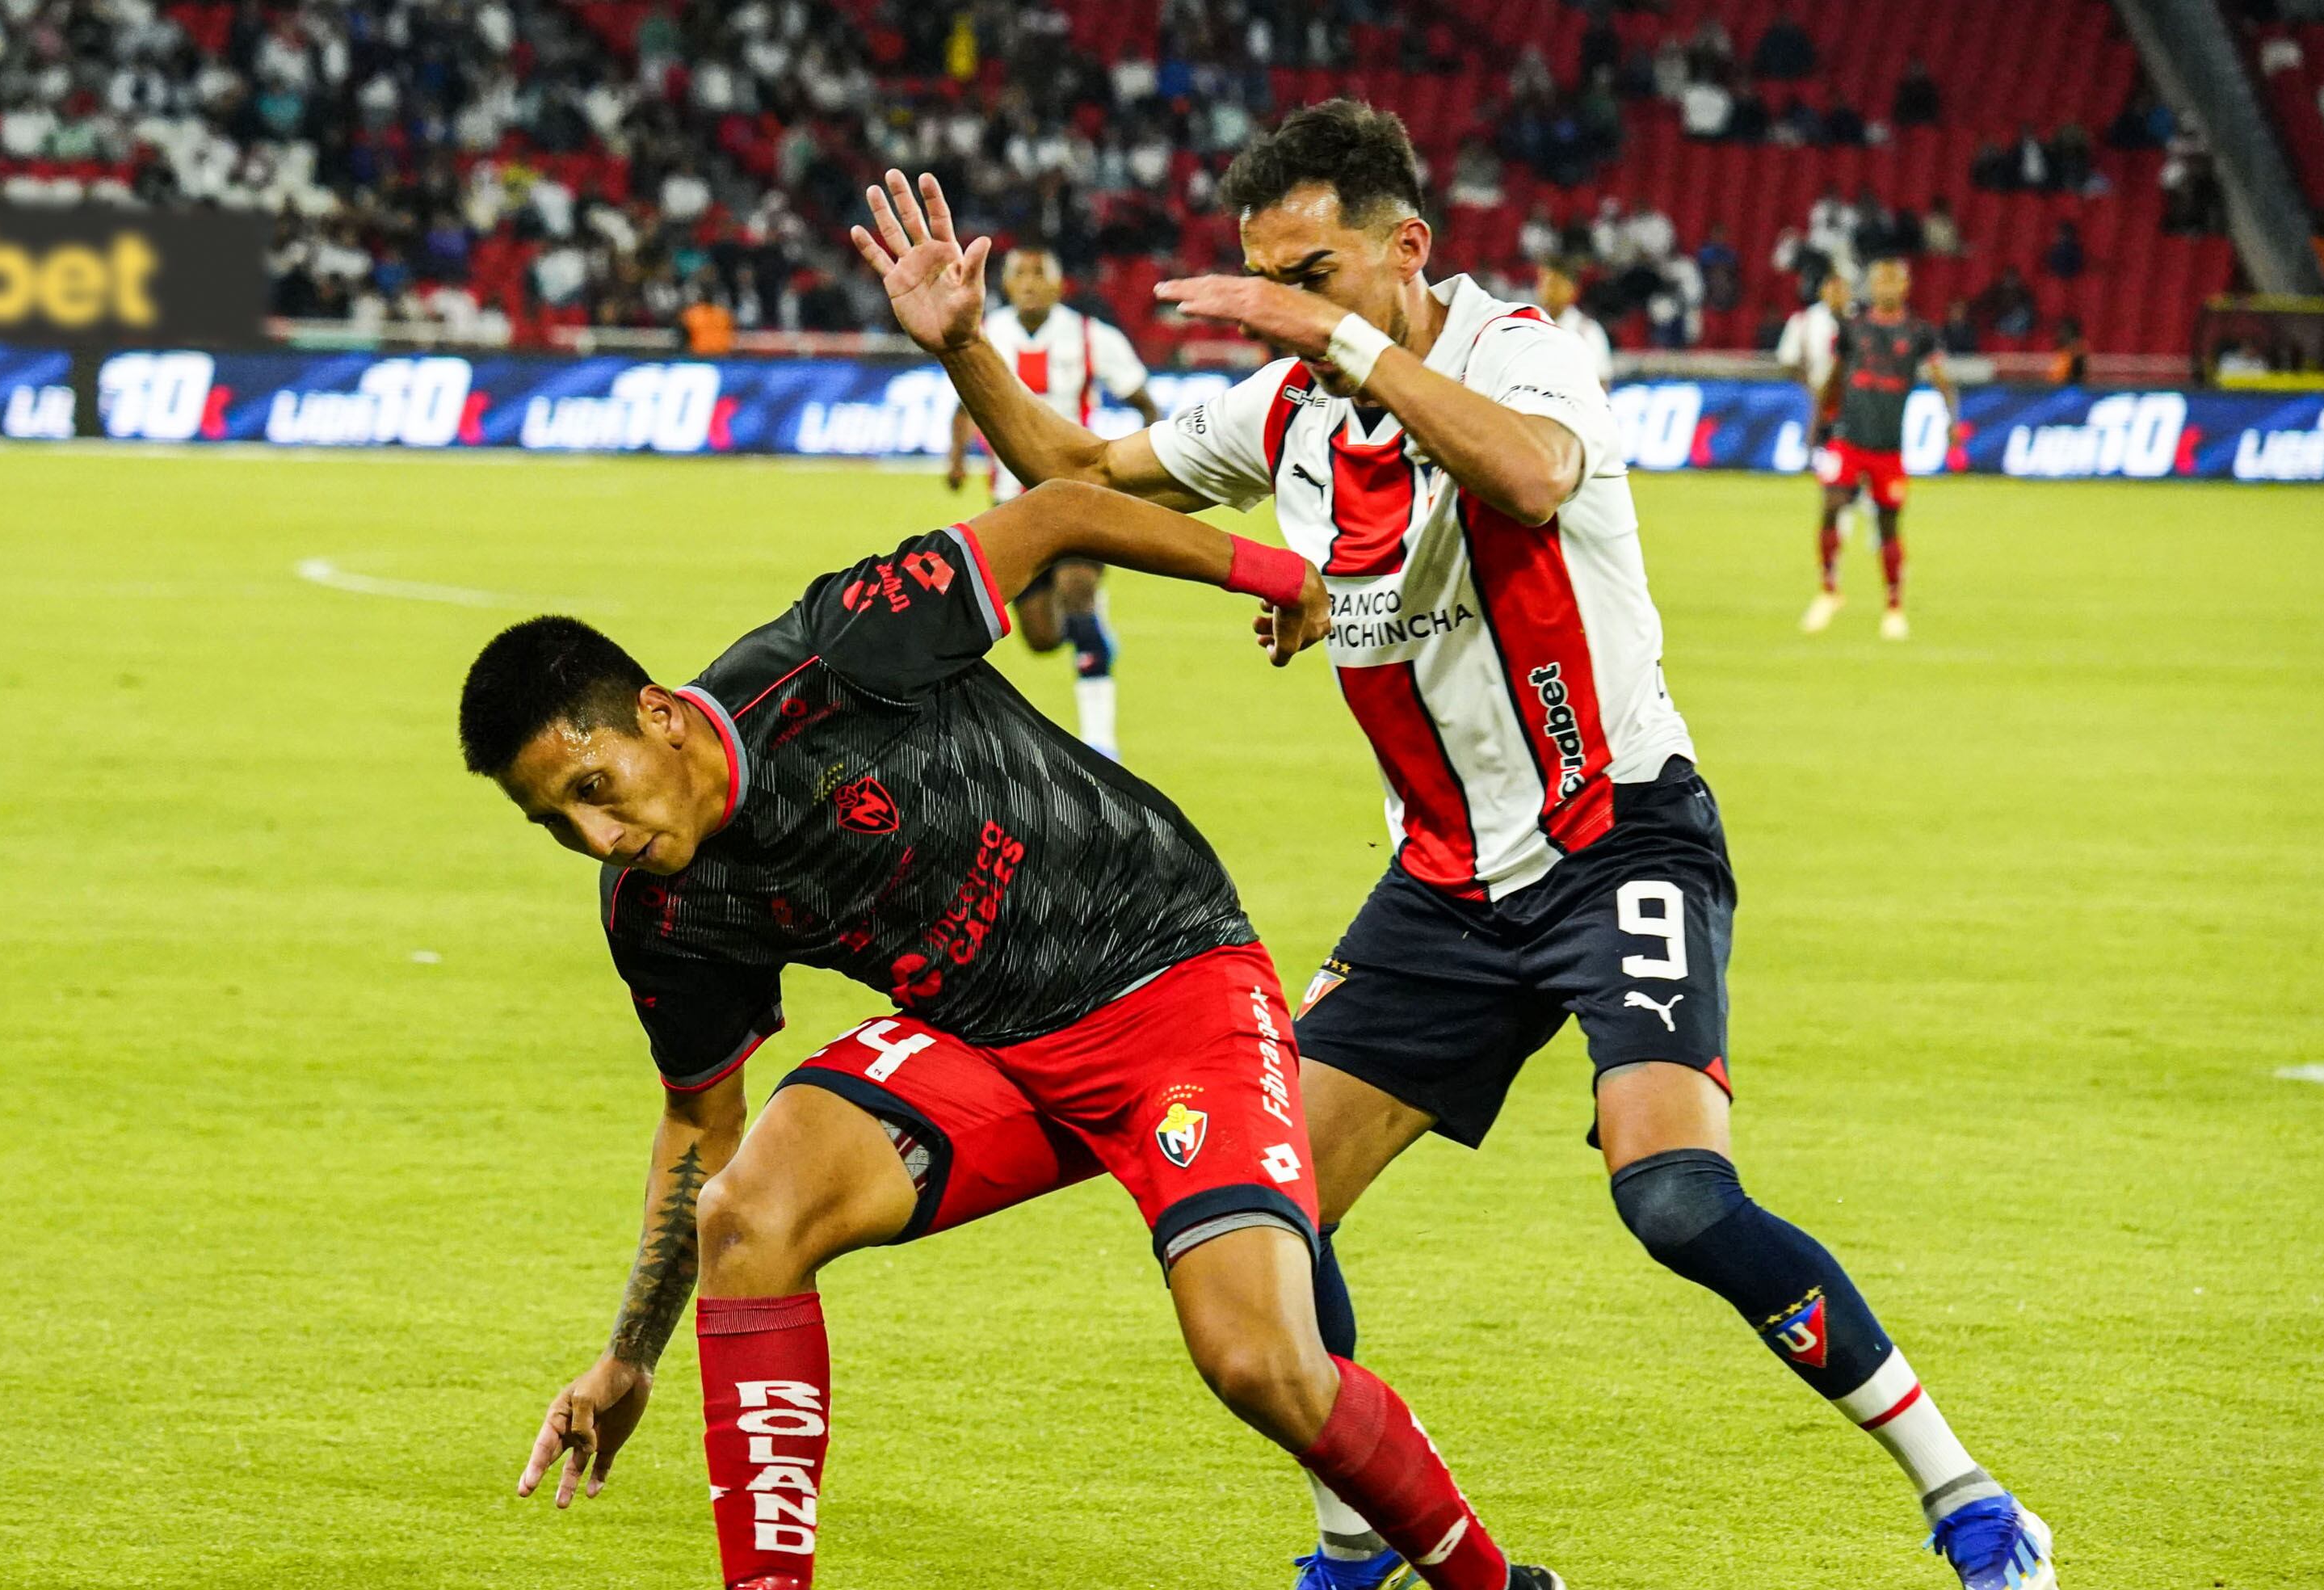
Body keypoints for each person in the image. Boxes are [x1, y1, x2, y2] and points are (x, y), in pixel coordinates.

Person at [855, 99, 2054, 1590]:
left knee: (1674, 1195)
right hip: (1444, 888)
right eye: (1267, 280)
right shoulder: (1289, 414)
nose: (1285, 314)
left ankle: (1968, 1496)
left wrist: (1344, 344)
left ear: (1406, 249)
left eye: (1314, 274)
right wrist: (965, 346)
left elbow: (1533, 476)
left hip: (1617, 837)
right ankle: (1356, 1536)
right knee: (1274, 1205)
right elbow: (1075, 468)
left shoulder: (1519, 347)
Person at [494, 473, 1569, 1590]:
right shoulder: (661, 909)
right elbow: (699, 1121)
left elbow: (1059, 512)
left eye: (594, 785)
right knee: (748, 1215)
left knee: (1259, 1363)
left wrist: (1278, 575)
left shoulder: (840, 649)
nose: (597, 834)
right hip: (981, 1048)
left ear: (659, 717)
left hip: (1172, 985)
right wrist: (630, 1359)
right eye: (556, 823)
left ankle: (1494, 1587)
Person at [946, 246, 1160, 758]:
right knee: (1042, 637)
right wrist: (956, 459)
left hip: (1080, 495)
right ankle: (1093, 638)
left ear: (1059, 285)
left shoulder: (1092, 337)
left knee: (1079, 592)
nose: (1029, 283)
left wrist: (1150, 466)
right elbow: (964, 405)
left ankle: (1101, 741)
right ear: (1006, 284)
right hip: (1012, 502)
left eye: (1040, 274)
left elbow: (1145, 402)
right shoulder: (986, 333)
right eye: (1020, 273)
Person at [1808, 257, 1965, 641]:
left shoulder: (1918, 334)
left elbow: (1944, 381)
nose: (1886, 288)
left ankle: (1894, 606)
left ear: (1906, 288)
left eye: (1894, 282)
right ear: (1872, 287)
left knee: (1888, 524)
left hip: (1888, 446)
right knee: (1831, 506)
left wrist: (1952, 421)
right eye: (1880, 282)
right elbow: (1834, 376)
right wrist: (1818, 421)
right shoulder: (1853, 329)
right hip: (1849, 438)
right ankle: (1830, 591)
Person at [1777, 270, 1863, 578]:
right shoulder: (1805, 321)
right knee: (1834, 466)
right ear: (1824, 289)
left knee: (1859, 462)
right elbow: (1787, 360)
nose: (1838, 292)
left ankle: (1861, 514)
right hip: (1823, 403)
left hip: (1857, 401)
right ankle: (1843, 519)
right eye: (1833, 286)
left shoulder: (1860, 321)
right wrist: (1813, 387)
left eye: (1843, 287)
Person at [1539, 264, 1615, 387]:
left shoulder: (1587, 330)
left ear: (1572, 290)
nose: (1548, 291)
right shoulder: (1530, 324)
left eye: (1555, 285)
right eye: (1544, 283)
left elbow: (1603, 380)